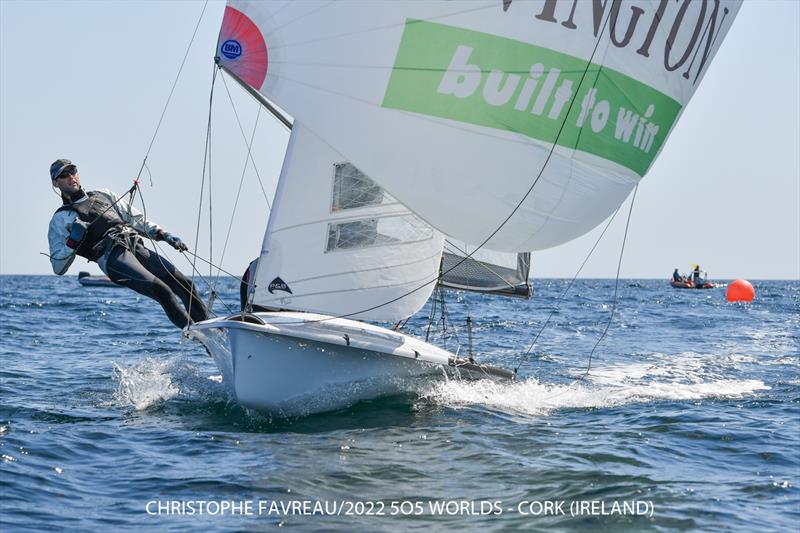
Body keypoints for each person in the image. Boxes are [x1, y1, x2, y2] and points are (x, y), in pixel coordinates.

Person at [47, 158, 209, 329]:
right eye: (64, 175)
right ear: (55, 183)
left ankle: (216, 335)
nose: (70, 176)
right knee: (163, 291)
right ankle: (204, 340)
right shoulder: (60, 219)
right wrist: (72, 241)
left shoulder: (103, 195)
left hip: (134, 245)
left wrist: (165, 235)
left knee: (185, 285)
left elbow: (137, 220)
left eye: (73, 171)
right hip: (112, 258)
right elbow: (58, 267)